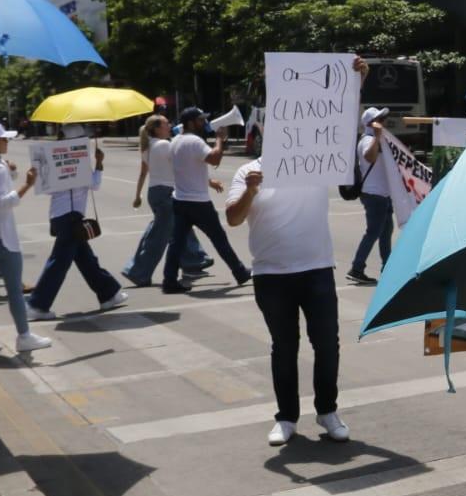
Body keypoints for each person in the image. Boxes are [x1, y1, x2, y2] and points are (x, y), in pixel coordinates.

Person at [226, 141, 350, 446]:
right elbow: (232, 217)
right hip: (271, 275)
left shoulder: (318, 163)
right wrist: (250, 191)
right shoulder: (249, 170)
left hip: (317, 269)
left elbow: (351, 179)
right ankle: (286, 417)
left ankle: (327, 411)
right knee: (283, 347)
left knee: (326, 344)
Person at [26, 125, 129, 320]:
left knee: (85, 258)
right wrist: (99, 163)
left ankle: (109, 294)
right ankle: (37, 305)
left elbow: (48, 189)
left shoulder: (54, 157)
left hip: (59, 216)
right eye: (84, 138)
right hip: (71, 217)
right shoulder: (78, 161)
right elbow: (95, 184)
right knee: (58, 263)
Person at [162, 108, 250, 294]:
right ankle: (240, 272)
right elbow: (214, 158)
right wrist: (220, 139)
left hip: (180, 199)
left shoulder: (175, 141)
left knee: (176, 242)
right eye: (201, 120)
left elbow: (187, 167)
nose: (204, 123)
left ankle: (169, 280)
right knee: (219, 239)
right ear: (191, 123)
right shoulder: (194, 141)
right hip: (198, 202)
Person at [123, 114, 214, 287]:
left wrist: (137, 195)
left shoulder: (148, 146)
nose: (170, 125)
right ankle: (138, 272)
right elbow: (184, 165)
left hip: (156, 192)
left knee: (179, 226)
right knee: (159, 237)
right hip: (166, 193)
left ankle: (194, 260)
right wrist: (208, 181)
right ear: (157, 128)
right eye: (166, 124)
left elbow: (144, 172)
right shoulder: (164, 145)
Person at [0, 123, 50, 352]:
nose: (7, 142)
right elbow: (4, 202)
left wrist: (12, 172)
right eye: (4, 139)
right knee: (15, 290)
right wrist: (27, 184)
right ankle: (24, 336)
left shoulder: (0, 167)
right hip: (3, 238)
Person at [347, 107, 392, 286]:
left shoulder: (375, 139)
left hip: (382, 194)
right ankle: (357, 269)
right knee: (374, 232)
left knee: (386, 232)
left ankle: (388, 268)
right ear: (371, 124)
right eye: (380, 119)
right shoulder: (368, 140)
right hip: (374, 195)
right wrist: (378, 135)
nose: (384, 122)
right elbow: (370, 157)